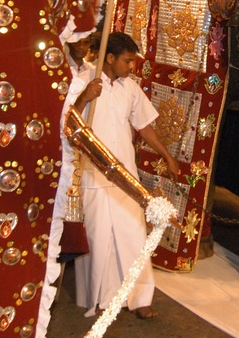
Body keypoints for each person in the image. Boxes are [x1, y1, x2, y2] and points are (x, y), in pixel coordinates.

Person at [66, 32, 181, 319]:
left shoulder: (130, 88)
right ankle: (102, 300)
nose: (131, 67)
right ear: (110, 57)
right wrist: (84, 98)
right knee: (99, 239)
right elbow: (68, 122)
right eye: (128, 61)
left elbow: (143, 126)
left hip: (125, 175)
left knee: (134, 234)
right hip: (94, 172)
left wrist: (167, 155)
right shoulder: (84, 81)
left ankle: (140, 298)